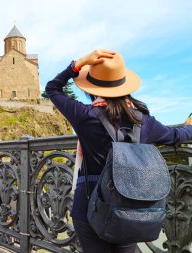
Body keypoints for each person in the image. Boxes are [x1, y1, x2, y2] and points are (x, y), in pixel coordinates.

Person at [45, 49, 192, 253]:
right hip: (130, 205)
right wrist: (189, 127)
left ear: (92, 87)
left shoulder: (85, 116)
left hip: (90, 204)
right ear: (124, 85)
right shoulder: (144, 121)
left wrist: (78, 64)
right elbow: (176, 137)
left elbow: (52, 89)